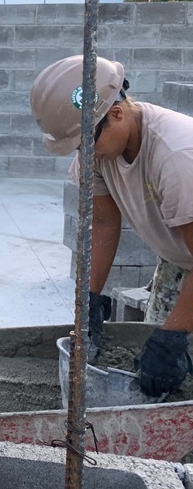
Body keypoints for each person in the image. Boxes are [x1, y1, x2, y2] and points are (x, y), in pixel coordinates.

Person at [30, 55, 193, 397]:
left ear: (116, 114)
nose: (84, 154)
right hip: (180, 262)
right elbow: (104, 223)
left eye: (87, 142)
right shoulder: (99, 155)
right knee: (159, 372)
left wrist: (173, 338)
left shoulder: (178, 157)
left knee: (170, 349)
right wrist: (90, 298)